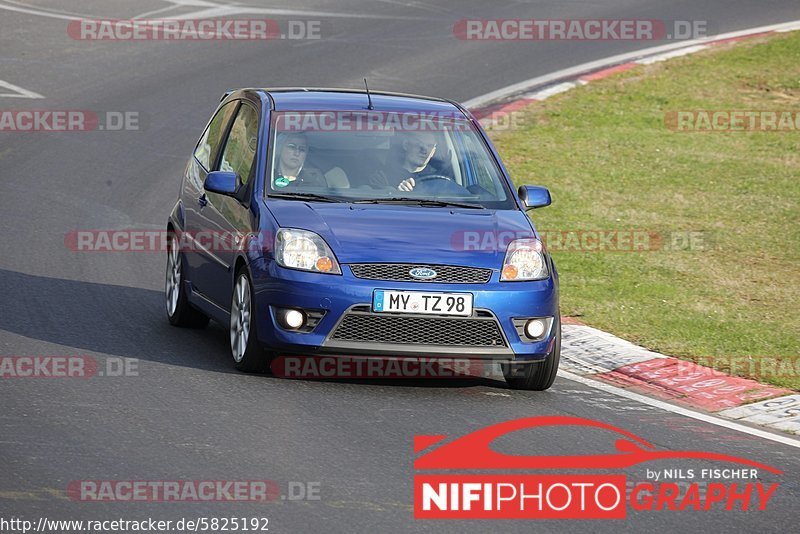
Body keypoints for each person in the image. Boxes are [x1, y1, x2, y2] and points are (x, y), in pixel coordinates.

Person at [369, 131, 438, 192]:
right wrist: (396, 195)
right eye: (419, 144)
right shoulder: (384, 176)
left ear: (433, 152)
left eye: (430, 146)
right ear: (406, 145)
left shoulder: (438, 178)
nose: (424, 151)